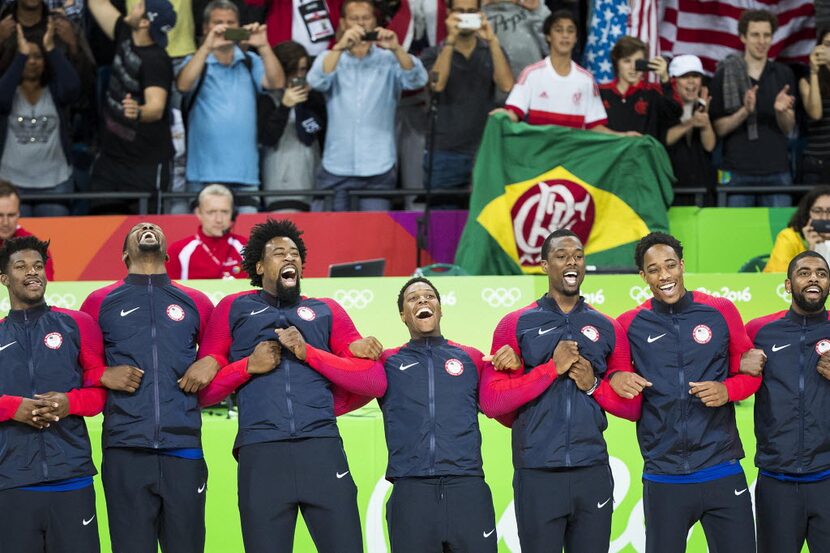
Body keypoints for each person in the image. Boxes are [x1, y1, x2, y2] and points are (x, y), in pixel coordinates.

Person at [195, 218, 385, 553]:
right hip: (261, 453)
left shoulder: (325, 310)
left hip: (321, 449)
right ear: (259, 266)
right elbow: (204, 393)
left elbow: (372, 381)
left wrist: (309, 356)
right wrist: (247, 367)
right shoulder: (233, 308)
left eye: (295, 253)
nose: (289, 258)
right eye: (278, 253)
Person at [299, 276, 500, 552]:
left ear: (441, 309)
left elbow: (499, 401)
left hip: (467, 489)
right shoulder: (387, 362)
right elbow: (343, 386)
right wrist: (345, 350)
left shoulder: (472, 358)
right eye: (413, 298)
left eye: (430, 296)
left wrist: (511, 360)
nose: (422, 300)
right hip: (410, 494)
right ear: (403, 316)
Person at [478, 229, 645, 553]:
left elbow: (633, 408)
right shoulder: (514, 324)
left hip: (591, 469)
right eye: (562, 256)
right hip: (537, 472)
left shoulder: (608, 326)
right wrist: (549, 370)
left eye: (578, 256)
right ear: (544, 265)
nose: (572, 262)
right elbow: (492, 402)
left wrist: (593, 385)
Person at [617, 232, 764, 553]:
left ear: (682, 266)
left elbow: (751, 373)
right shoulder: (629, 323)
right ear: (643, 276)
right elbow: (613, 374)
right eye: (654, 269)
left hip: (721, 469)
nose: (664, 275)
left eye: (670, 265)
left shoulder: (720, 310)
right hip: (664, 475)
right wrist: (615, 377)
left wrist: (727, 390)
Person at [80, 222, 216, 553]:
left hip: (183, 447)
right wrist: (100, 376)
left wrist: (213, 360)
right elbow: (77, 369)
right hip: (125, 448)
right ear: (125, 253)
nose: (147, 225)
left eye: (153, 225)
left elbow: (221, 351)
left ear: (168, 252)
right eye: (139, 227)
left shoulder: (196, 301)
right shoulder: (99, 302)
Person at [0, 235, 107, 553]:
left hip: (71, 477)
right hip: (12, 481)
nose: (32, 272)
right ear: (4, 278)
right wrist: (11, 407)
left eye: (37, 265)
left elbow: (100, 391)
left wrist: (69, 403)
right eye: (21, 266)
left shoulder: (78, 324)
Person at [745, 250, 830, 553]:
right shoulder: (759, 332)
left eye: (821, 273)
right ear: (787, 285)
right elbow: (732, 378)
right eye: (804, 272)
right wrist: (741, 366)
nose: (813, 279)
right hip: (776, 481)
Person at [308, 0, 428, 212]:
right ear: (343, 23)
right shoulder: (331, 57)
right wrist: (339, 47)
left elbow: (417, 80)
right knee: (333, 236)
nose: (361, 24)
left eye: (366, 18)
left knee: (373, 239)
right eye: (354, 19)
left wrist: (397, 48)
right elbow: (317, 81)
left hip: (378, 166)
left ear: (376, 22)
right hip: (337, 165)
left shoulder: (389, 59)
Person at [177, 0, 284, 211]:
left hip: (245, 175)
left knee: (248, 242)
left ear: (239, 26)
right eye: (218, 22)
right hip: (203, 175)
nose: (225, 28)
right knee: (206, 242)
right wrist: (207, 47)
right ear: (206, 27)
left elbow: (277, 82)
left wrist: (263, 46)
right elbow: (183, 84)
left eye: (230, 22)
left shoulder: (250, 61)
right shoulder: (195, 61)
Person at [420, 0, 513, 208]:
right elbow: (437, 85)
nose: (465, 17)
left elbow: (506, 85)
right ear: (449, 14)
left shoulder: (491, 50)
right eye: (460, 12)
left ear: (480, 14)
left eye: (471, 12)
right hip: (444, 154)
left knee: (482, 224)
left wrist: (492, 39)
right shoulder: (433, 53)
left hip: (484, 152)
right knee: (442, 227)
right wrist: (450, 40)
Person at [86, 0, 176, 215]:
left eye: (138, 7)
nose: (132, 7)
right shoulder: (125, 32)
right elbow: (97, 4)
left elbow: (156, 107)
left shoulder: (156, 60)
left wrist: (138, 111)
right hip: (110, 161)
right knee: (99, 233)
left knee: (146, 241)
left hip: (145, 166)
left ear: (145, 22)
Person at [494, 10, 634, 136]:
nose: (565, 35)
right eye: (559, 30)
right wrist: (502, 115)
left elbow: (595, 127)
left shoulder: (586, 80)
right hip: (538, 158)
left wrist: (623, 136)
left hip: (572, 160)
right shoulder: (531, 74)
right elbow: (514, 114)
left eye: (570, 31)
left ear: (576, 38)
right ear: (548, 36)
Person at [709, 9, 796, 207]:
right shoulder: (724, 74)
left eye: (767, 35)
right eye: (755, 35)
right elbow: (719, 129)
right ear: (743, 37)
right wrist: (744, 112)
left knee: (779, 237)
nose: (762, 41)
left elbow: (788, 127)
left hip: (777, 171)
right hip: (737, 171)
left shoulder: (784, 74)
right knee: (736, 236)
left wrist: (781, 112)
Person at [0, 23, 78, 217]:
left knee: (56, 243)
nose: (32, 62)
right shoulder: (10, 91)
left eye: (38, 57)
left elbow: (73, 87)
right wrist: (20, 56)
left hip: (55, 183)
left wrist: (51, 49)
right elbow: (1, 99)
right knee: (15, 246)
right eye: (28, 57)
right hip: (12, 184)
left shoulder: (54, 91)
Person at [259, 40, 325, 212]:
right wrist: (285, 106)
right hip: (280, 185)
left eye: (302, 70)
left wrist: (302, 103)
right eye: (292, 70)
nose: (297, 76)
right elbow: (268, 138)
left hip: (313, 182)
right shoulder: (267, 99)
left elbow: (311, 133)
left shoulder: (314, 98)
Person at [599, 36, 682, 141]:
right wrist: (622, 136)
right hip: (610, 155)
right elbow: (589, 127)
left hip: (644, 156)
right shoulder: (601, 92)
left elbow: (674, 115)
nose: (633, 67)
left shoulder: (654, 92)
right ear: (617, 62)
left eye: (638, 62)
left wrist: (665, 79)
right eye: (627, 61)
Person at [665, 54, 716, 206]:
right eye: (684, 76)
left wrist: (705, 123)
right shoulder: (664, 106)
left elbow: (710, 146)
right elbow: (665, 139)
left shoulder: (703, 106)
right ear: (673, 81)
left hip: (703, 194)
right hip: (673, 195)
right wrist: (691, 122)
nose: (691, 82)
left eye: (695, 76)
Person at [166, 184, 248, 279]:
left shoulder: (247, 248)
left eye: (225, 212)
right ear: (199, 213)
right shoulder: (177, 251)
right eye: (211, 212)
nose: (219, 220)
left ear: (233, 214)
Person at [764, 186, 830, 272]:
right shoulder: (789, 237)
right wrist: (810, 252)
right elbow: (779, 278)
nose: (824, 218)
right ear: (807, 213)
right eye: (817, 211)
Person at [0, 180, 54, 278]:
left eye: (11, 215)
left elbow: (46, 288)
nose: (5, 222)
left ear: (18, 214)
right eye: (0, 215)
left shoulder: (35, 248)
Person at [482, 0, 549, 79]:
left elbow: (552, 47)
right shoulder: (479, 14)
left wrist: (539, 10)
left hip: (534, 84)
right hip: (496, 85)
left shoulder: (531, 9)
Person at [800, 29, 830, 185]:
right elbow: (815, 113)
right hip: (818, 162)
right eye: (827, 45)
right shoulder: (806, 80)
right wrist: (813, 71)